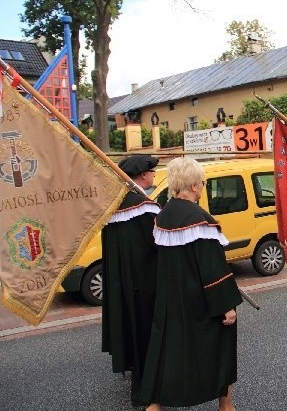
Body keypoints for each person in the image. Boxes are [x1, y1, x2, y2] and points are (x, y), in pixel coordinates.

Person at [140, 157, 243, 411]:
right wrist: (226, 306)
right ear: (194, 186)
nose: (203, 186)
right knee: (222, 346)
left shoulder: (164, 215)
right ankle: (226, 404)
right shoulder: (201, 220)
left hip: (170, 301)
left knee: (166, 351)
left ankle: (154, 405)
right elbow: (212, 270)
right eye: (203, 182)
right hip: (199, 303)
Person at [101, 154, 161, 408]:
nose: (155, 176)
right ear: (143, 174)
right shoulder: (146, 208)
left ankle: (132, 367)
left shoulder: (112, 207)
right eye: (152, 171)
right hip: (145, 283)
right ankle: (148, 390)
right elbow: (157, 245)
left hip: (119, 282)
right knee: (146, 332)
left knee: (129, 326)